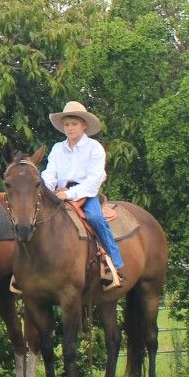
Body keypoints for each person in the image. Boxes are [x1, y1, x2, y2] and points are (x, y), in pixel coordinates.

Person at [42, 101, 124, 288]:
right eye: (66, 124)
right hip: (59, 193)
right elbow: (49, 173)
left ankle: (113, 262)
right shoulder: (57, 148)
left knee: (95, 217)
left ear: (84, 125)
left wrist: (70, 193)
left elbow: (94, 179)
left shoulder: (94, 148)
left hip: (85, 193)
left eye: (74, 124)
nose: (69, 128)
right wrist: (47, 190)